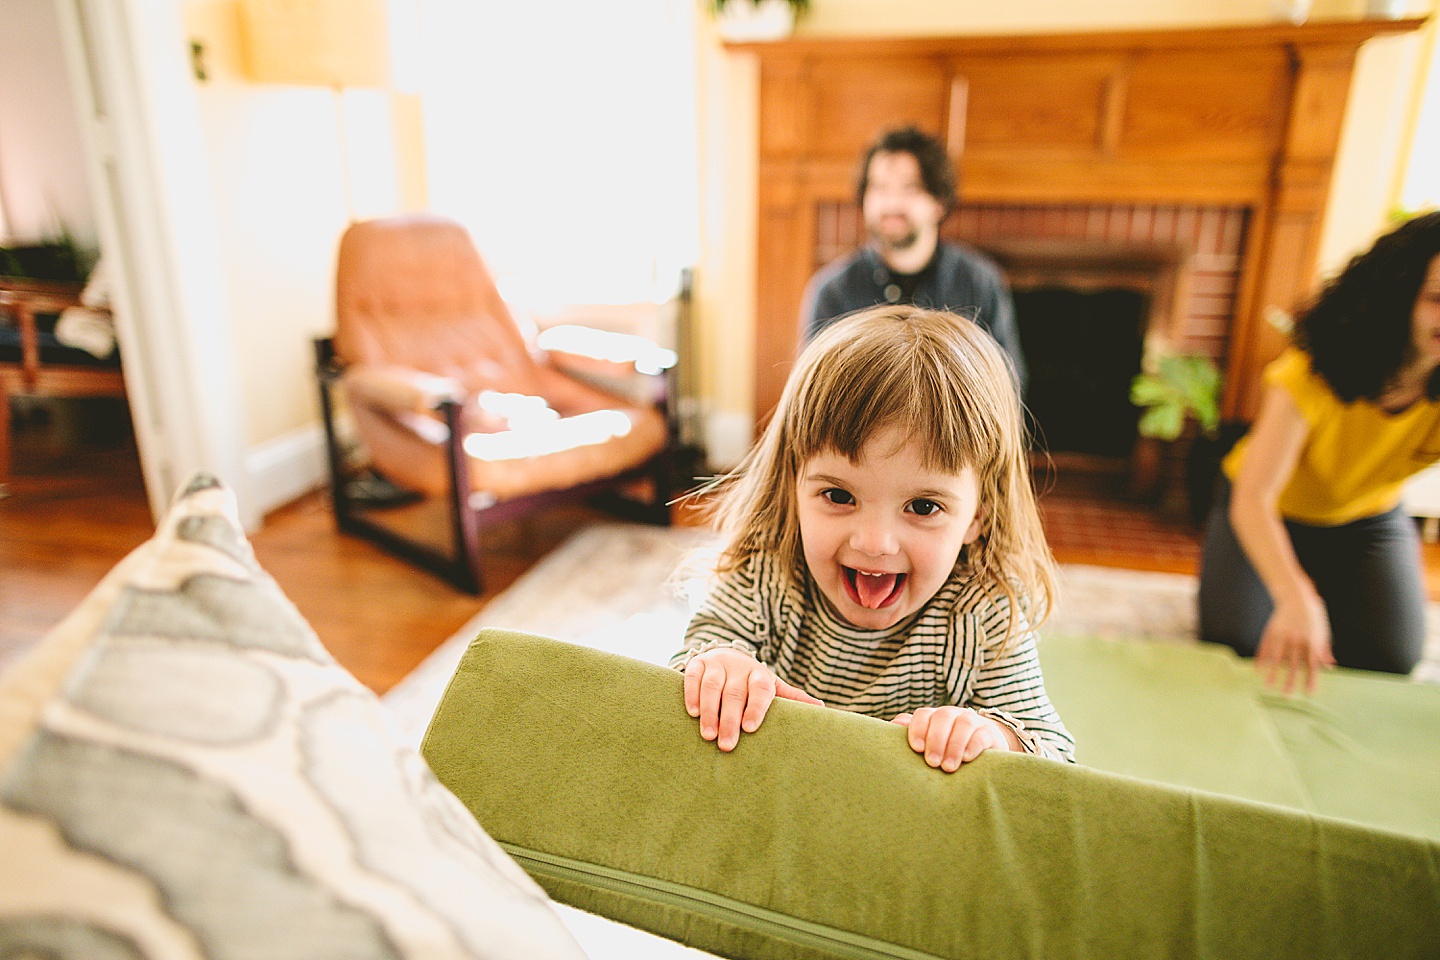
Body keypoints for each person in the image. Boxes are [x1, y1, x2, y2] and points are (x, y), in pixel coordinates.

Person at [670, 305, 1074, 769]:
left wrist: (995, 738)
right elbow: (693, 662)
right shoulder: (766, 574)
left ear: (977, 517)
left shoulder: (982, 612)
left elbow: (1054, 757)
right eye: (839, 495)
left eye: (923, 507)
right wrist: (720, 669)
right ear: (794, 486)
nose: (875, 543)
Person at [1198, 211, 1440, 693]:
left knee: (1391, 659)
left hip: (1367, 520)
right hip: (1266, 510)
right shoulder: (1311, 372)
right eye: (1437, 299)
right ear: (1398, 297)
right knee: (1237, 644)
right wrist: (1297, 598)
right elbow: (1254, 499)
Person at [798, 125, 1028, 395]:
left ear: (939, 201)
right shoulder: (831, 291)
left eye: (910, 188)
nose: (892, 203)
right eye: (879, 187)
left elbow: (1010, 385)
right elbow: (811, 396)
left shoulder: (981, 281)